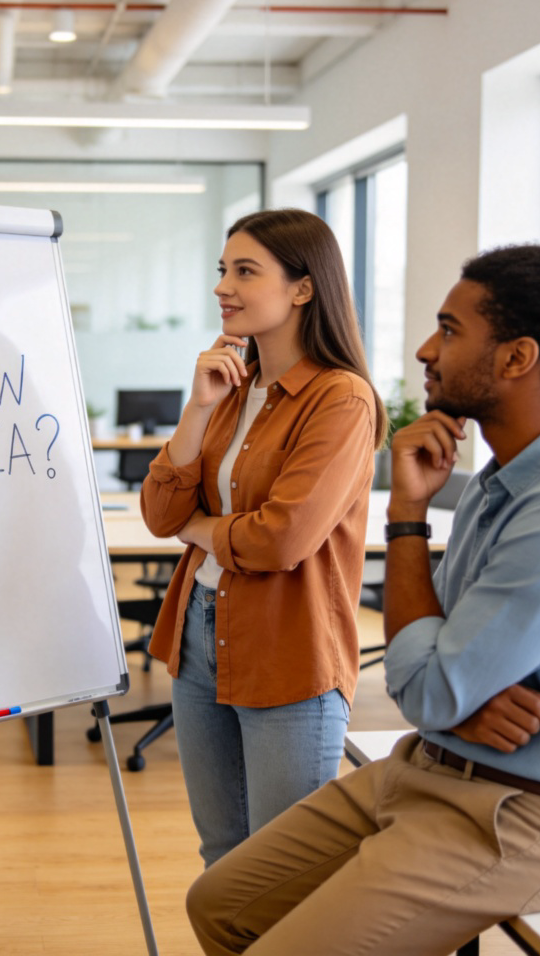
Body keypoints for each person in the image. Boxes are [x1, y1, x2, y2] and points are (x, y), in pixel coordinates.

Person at [186, 244, 540, 955]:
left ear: (517, 357)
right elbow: (443, 676)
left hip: (526, 816)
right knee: (221, 904)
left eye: (450, 329)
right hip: (429, 766)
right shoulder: (506, 481)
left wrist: (406, 521)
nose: (425, 349)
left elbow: (430, 686)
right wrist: (458, 697)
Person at [139, 208, 386, 867]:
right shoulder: (230, 387)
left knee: (282, 865)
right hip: (199, 632)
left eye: (245, 271)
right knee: (223, 853)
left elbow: (281, 541)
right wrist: (197, 409)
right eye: (223, 269)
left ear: (303, 288)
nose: (224, 286)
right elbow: (161, 514)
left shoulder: (341, 399)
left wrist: (199, 528)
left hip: (291, 644)